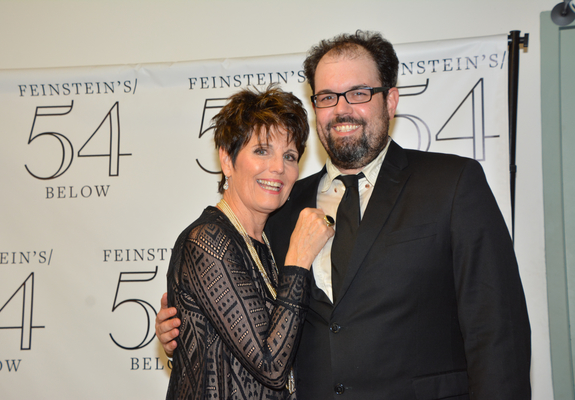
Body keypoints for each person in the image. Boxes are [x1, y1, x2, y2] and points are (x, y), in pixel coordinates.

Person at [157, 31, 531, 399]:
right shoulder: (284, 207)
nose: (342, 109)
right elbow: (260, 326)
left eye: (359, 93)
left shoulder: (451, 184)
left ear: (391, 100)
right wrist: (191, 334)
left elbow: (498, 330)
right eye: (327, 97)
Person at [164, 85, 334, 399]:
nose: (278, 167)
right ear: (227, 160)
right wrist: (297, 261)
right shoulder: (207, 241)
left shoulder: (268, 241)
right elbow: (270, 365)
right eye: (261, 150)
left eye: (290, 155)